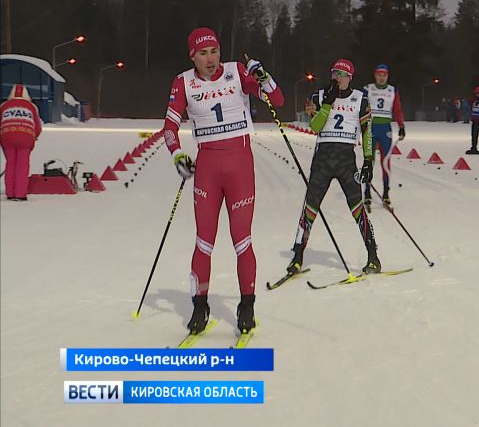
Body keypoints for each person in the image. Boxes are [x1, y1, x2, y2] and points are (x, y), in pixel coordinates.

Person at [161, 27, 285, 335]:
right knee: (204, 241)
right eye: (202, 53)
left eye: (214, 51)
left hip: (240, 167)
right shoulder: (183, 82)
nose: (210, 59)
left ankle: (247, 306)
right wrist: (178, 155)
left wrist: (262, 76)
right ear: (192, 56)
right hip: (208, 170)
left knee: (242, 240)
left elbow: (278, 100)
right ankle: (200, 306)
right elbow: (169, 127)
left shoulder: (236, 72)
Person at [287, 58, 380, 276]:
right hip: (323, 160)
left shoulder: (360, 99)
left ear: (350, 78)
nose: (338, 78)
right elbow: (316, 126)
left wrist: (368, 160)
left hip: (346, 160)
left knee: (357, 208)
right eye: (335, 73)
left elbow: (367, 132)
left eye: (342, 74)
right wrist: (327, 104)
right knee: (310, 207)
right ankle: (298, 255)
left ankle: (373, 255)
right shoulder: (318, 97)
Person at [363, 63, 406, 210]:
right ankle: (367, 192)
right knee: (369, 161)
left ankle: (386, 193)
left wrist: (401, 126)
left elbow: (397, 109)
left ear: (387, 76)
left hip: (385, 129)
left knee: (385, 162)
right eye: (379, 75)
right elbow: (360, 108)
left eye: (384, 75)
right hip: (370, 129)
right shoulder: (368, 89)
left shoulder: (392, 90)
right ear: (375, 75)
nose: (381, 78)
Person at [1, 84, 42, 201]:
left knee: (10, 164)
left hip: (7, 137)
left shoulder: (4, 106)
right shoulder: (31, 106)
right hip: (25, 138)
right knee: (22, 166)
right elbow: (37, 126)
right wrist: (34, 136)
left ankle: (10, 193)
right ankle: (20, 193)